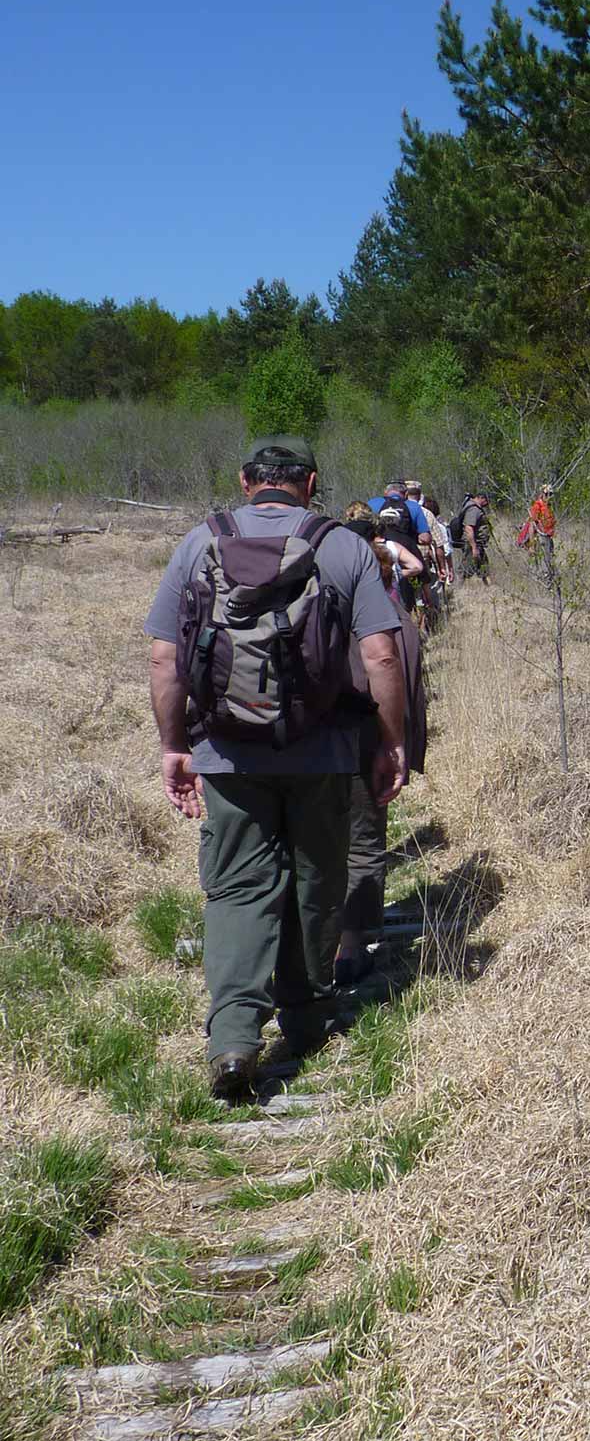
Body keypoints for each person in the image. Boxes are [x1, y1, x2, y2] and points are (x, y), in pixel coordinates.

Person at [146, 439, 407, 1102]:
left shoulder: (199, 542)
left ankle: (234, 1037)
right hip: (322, 752)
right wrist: (389, 742)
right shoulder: (342, 546)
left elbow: (163, 658)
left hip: (229, 753)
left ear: (245, 481)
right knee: (316, 880)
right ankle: (307, 1018)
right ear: (311, 484)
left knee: (237, 887)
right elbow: (380, 654)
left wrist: (174, 746)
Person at [333, 509, 428, 991]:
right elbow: (410, 694)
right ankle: (353, 947)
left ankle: (316, 943)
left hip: (315, 748)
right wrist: (401, 749)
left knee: (319, 844)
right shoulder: (397, 625)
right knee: (365, 844)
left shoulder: (317, 615)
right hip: (368, 746)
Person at [452, 491, 493, 583]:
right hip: (472, 544)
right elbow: (469, 528)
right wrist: (474, 547)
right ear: (481, 498)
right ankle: (458, 587)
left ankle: (489, 586)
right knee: (465, 568)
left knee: (483, 567)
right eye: (487, 501)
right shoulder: (474, 510)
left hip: (477, 544)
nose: (487, 503)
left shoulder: (475, 508)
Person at [521, 484, 557, 583]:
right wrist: (532, 546)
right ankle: (544, 583)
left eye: (550, 494)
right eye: (546, 494)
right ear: (542, 494)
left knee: (549, 562)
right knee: (543, 565)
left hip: (548, 538)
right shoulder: (537, 506)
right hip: (540, 538)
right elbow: (532, 526)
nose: (548, 496)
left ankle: (548, 582)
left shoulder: (549, 506)